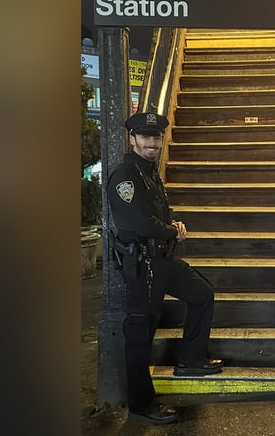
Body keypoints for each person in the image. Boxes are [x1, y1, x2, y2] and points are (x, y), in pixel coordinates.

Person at [106, 112, 223, 425]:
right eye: (145, 137)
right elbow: (137, 222)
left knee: (202, 293)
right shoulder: (126, 175)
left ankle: (191, 359)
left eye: (156, 137)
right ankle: (142, 404)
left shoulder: (148, 172)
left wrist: (169, 226)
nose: (152, 142)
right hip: (144, 265)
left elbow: (154, 215)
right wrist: (171, 230)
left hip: (164, 260)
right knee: (140, 334)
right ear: (132, 139)